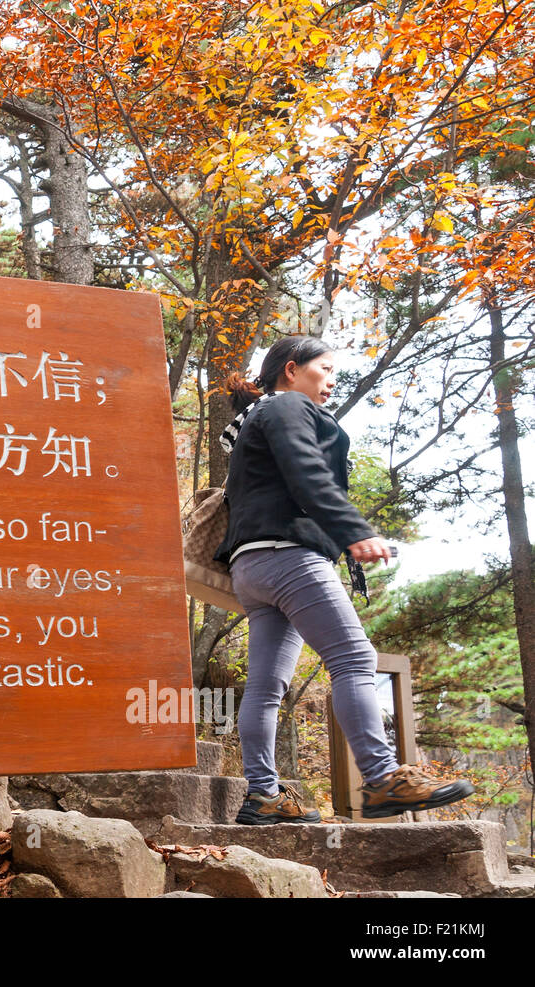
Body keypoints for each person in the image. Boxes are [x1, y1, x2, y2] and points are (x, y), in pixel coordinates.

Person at [215, 334, 474, 824]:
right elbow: (306, 471)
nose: (332, 381)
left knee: (267, 688)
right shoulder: (288, 405)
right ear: (291, 370)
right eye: (326, 369)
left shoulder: (256, 417)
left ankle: (263, 796)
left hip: (252, 568)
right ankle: (381, 780)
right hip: (291, 558)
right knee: (354, 659)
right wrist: (353, 531)